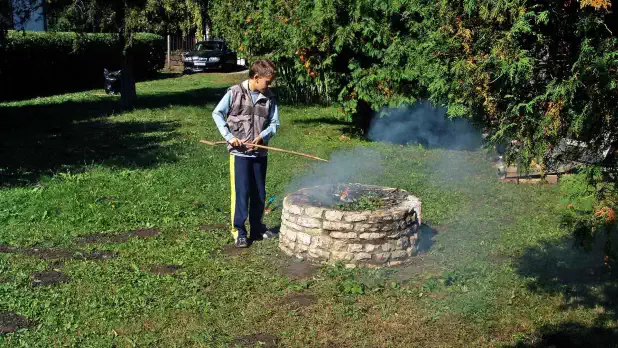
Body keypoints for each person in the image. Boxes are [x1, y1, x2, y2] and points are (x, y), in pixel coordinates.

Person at [212, 60, 280, 248]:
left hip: (260, 154)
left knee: (259, 193)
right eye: (267, 82)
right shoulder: (234, 93)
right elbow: (217, 113)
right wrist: (229, 136)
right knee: (241, 193)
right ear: (256, 78)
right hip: (239, 154)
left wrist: (263, 136)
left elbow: (275, 124)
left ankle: (257, 228)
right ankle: (239, 231)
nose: (269, 85)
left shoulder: (270, 98)